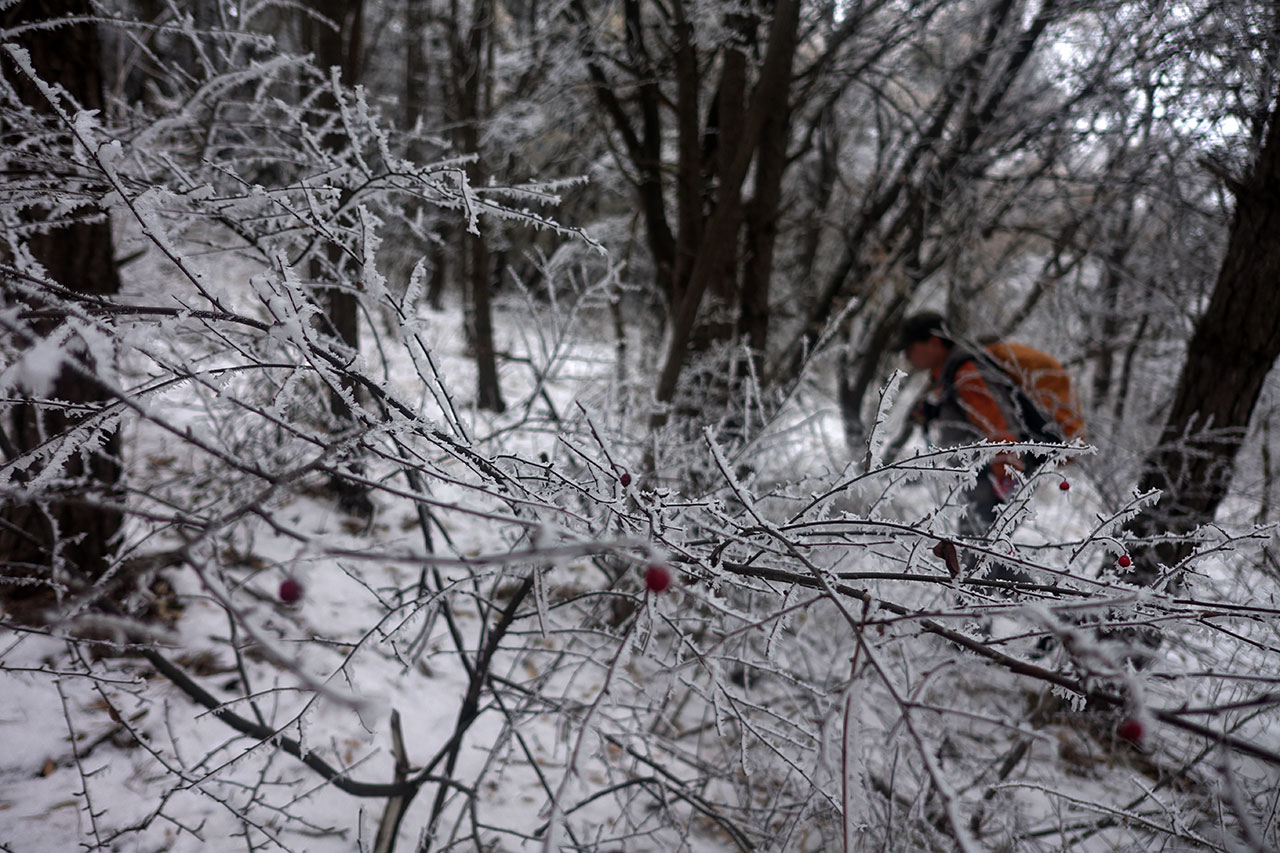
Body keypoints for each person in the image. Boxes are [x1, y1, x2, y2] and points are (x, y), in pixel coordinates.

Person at [897, 311, 1036, 542]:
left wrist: (1007, 480)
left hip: (993, 478)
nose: (906, 356)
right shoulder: (949, 372)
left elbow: (999, 426)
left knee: (982, 555)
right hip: (982, 477)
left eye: (910, 348)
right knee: (982, 555)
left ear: (934, 342)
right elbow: (971, 417)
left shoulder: (966, 372)